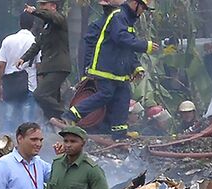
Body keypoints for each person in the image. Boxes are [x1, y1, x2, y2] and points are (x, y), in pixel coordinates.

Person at [65, 0, 159, 140]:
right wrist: (145, 46)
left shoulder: (127, 20)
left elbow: (127, 49)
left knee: (123, 96)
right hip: (107, 68)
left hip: (119, 72)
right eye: (143, 8)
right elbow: (121, 38)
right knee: (106, 94)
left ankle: (119, 132)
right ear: (135, 3)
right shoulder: (118, 16)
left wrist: (136, 68)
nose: (143, 11)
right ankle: (71, 115)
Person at [17, 0, 70, 121]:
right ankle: (56, 123)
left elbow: (51, 16)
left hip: (58, 66)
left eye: (44, 5)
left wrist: (35, 11)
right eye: (40, 5)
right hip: (49, 67)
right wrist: (23, 58)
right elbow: (37, 45)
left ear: (53, 6)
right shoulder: (46, 26)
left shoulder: (59, 19)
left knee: (40, 94)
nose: (41, 7)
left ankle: (67, 115)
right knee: (51, 99)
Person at [0, 12, 40, 130]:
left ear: (19, 23)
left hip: (10, 87)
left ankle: (7, 146)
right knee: (28, 124)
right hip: (29, 86)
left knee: (8, 120)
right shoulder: (35, 41)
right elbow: (39, 66)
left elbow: (1, 66)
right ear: (33, 24)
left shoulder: (8, 40)